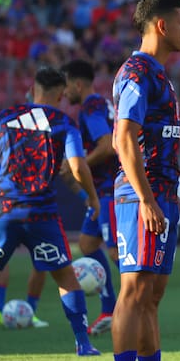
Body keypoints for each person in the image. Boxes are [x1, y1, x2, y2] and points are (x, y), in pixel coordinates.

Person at [0, 66, 101, 360]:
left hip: (1, 208)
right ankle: (83, 344)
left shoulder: (3, 117)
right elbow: (76, 166)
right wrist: (92, 198)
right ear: (61, 95)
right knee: (65, 278)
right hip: (40, 213)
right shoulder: (64, 123)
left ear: (33, 90)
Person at [109, 0, 180, 361]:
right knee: (133, 290)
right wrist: (146, 199)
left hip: (162, 195)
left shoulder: (158, 75)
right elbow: (123, 138)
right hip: (140, 196)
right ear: (162, 26)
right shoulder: (137, 72)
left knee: (151, 295)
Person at [61, 58, 120, 335]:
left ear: (77, 84)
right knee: (87, 244)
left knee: (116, 252)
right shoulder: (98, 104)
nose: (64, 92)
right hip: (100, 191)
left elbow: (107, 146)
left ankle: (139, 303)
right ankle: (109, 309)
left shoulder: (91, 106)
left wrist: (80, 164)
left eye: (66, 86)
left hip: (111, 189)